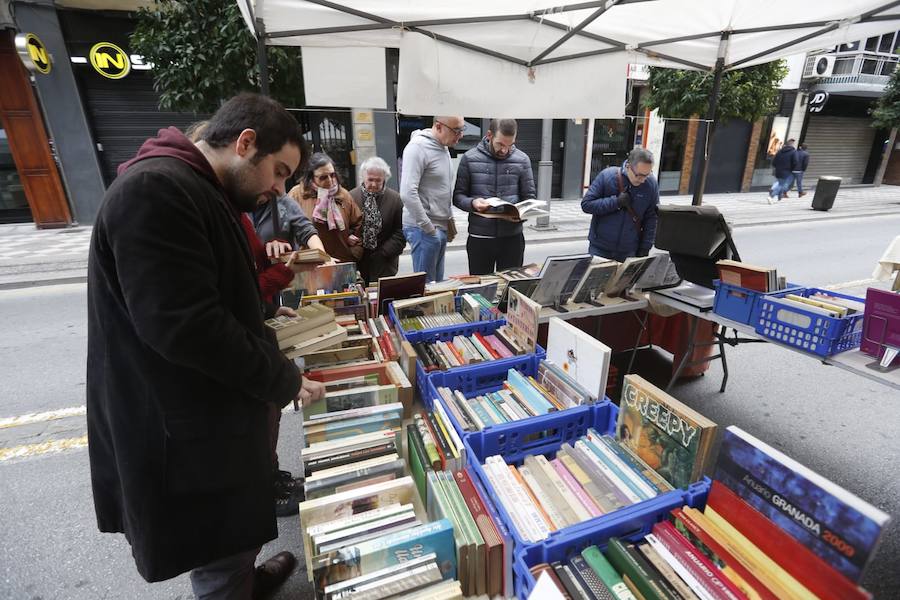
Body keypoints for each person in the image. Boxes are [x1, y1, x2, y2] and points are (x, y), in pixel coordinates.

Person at [86, 93, 325, 599]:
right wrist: (282, 378)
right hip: (181, 417)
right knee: (214, 529)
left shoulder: (196, 187)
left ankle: (243, 578)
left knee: (230, 527)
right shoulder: (156, 190)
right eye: (279, 172)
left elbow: (212, 289)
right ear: (245, 144)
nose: (279, 189)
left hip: (208, 404)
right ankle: (230, 587)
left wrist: (258, 316)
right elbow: (186, 325)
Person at [453, 118, 536, 275]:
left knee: (510, 288)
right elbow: (458, 196)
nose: (504, 150)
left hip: (512, 237)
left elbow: (529, 197)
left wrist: (520, 215)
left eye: (510, 145)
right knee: (481, 289)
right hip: (480, 237)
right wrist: (473, 203)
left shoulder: (522, 159)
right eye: (500, 144)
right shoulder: (469, 158)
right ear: (489, 135)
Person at [400, 115, 465, 282]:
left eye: (462, 129)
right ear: (438, 126)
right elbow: (407, 193)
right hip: (423, 228)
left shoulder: (442, 146)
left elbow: (439, 188)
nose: (461, 135)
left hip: (437, 227)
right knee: (426, 288)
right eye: (456, 130)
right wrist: (428, 228)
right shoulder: (418, 148)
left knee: (436, 286)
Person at [581, 147, 660, 262]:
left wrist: (645, 247)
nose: (642, 180)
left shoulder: (651, 185)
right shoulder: (607, 176)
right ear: (628, 166)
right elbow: (587, 205)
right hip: (600, 248)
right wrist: (616, 202)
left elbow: (652, 218)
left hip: (629, 251)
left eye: (647, 175)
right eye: (639, 175)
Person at [288, 153, 364, 264]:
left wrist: (355, 252)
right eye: (323, 177)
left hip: (340, 262)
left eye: (332, 175)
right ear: (311, 177)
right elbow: (287, 228)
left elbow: (358, 224)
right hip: (310, 265)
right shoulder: (296, 195)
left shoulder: (343, 195)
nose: (330, 180)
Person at [348, 156, 406, 285]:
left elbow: (401, 231)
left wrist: (384, 252)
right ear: (363, 177)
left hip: (384, 261)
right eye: (370, 180)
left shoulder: (395, 199)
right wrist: (349, 237)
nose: (373, 184)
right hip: (358, 259)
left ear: (385, 178)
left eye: (378, 180)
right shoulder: (351, 197)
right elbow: (344, 227)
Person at [768, 138, 796, 204]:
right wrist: (792, 169)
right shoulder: (793, 152)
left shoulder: (780, 151)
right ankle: (771, 196)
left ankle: (779, 197)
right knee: (782, 185)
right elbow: (795, 162)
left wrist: (777, 167)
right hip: (787, 171)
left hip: (778, 170)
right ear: (792, 145)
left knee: (780, 182)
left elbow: (774, 161)